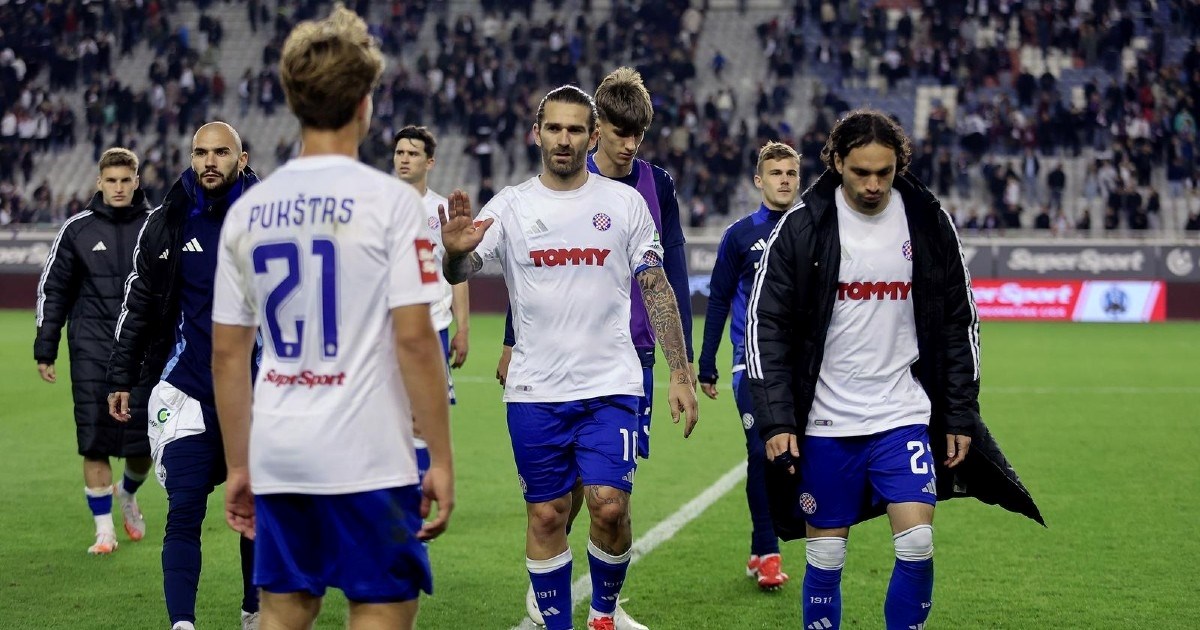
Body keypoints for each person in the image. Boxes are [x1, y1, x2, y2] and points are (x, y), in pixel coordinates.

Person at [746, 109, 1044, 630]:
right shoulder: (803, 226)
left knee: (918, 542)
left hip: (901, 413)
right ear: (838, 163)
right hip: (825, 421)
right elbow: (765, 324)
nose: (873, 184)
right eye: (861, 172)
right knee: (825, 559)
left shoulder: (927, 222)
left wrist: (959, 413)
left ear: (898, 165)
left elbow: (958, 322)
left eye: (884, 172)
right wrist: (776, 420)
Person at [210, 8, 456, 630]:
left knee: (284, 609)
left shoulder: (248, 210)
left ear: (293, 101)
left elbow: (228, 354)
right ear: (365, 104)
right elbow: (416, 340)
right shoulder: (392, 204)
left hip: (280, 449)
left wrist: (238, 465)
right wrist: (441, 458)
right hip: (368, 453)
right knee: (380, 606)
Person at [442, 85, 699, 630]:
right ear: (537, 133)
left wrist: (680, 371)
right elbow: (463, 269)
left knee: (609, 506)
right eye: (554, 128)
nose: (564, 139)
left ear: (592, 135)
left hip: (611, 385)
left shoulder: (625, 204)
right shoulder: (511, 205)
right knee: (547, 514)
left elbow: (656, 285)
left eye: (575, 129)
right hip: (535, 390)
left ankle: (603, 613)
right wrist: (454, 255)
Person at [106, 121, 261, 630]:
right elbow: (140, 304)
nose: (209, 161)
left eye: (221, 152)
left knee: (258, 515)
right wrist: (121, 376)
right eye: (200, 152)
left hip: (259, 397)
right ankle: (182, 624)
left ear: (242, 159)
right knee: (185, 508)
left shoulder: (270, 220)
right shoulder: (167, 221)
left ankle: (254, 613)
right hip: (188, 391)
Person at [35, 147, 153, 555]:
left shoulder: (157, 226)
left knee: (143, 446)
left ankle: (128, 493)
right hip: (91, 351)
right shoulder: (77, 230)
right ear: (99, 182)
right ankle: (104, 532)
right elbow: (54, 291)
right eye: (111, 181)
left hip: (143, 352)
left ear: (136, 182)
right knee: (94, 441)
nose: (118, 188)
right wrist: (46, 347)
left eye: (125, 180)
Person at [697, 141, 800, 590]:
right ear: (759, 181)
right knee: (762, 452)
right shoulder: (739, 235)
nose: (784, 180)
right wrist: (707, 362)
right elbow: (719, 299)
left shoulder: (812, 230)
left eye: (791, 173)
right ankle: (770, 553)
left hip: (800, 369)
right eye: (775, 173)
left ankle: (761, 545)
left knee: (792, 459)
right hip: (751, 365)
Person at [393, 124, 470, 482]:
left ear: (430, 162)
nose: (404, 159)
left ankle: (420, 493)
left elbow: (457, 271)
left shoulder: (441, 212)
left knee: (424, 418)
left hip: (433, 329)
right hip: (387, 330)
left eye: (413, 153)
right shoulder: (378, 207)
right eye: (400, 152)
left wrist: (463, 328)